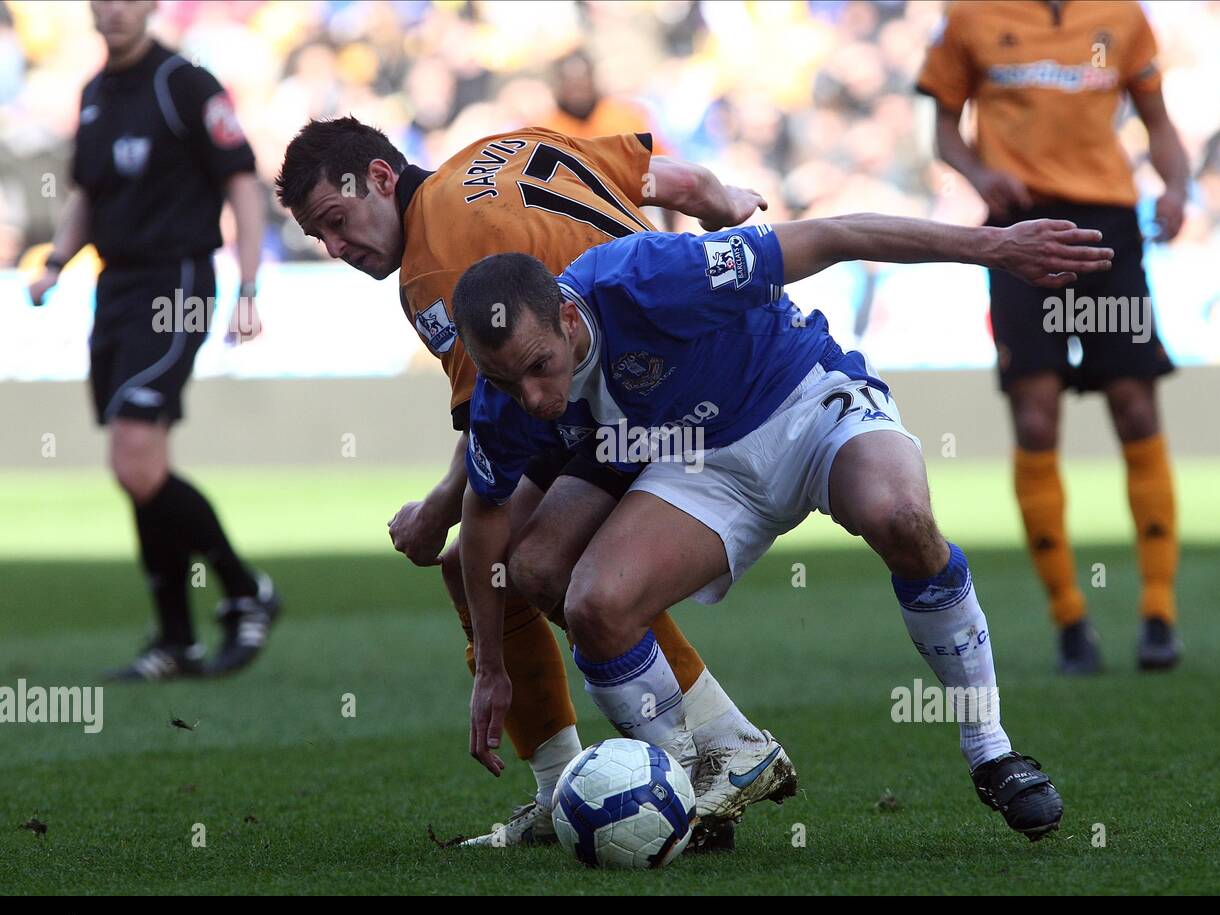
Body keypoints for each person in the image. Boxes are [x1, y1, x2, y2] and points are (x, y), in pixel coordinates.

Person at [453, 214, 1115, 840]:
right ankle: (683, 795)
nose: (533, 399)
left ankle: (990, 749)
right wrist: (490, 664)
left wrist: (993, 247)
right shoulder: (503, 391)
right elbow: (483, 517)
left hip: (807, 402)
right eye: (509, 382)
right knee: (595, 606)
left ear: (569, 317)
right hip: (702, 462)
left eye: (541, 367)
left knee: (903, 519)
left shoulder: (650, 278)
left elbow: (835, 234)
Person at [275, 117, 792, 846]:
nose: (335, 247)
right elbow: (671, 179)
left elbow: (493, 432)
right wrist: (725, 202)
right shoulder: (503, 147)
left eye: (336, 220)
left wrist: (431, 511)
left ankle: (716, 749)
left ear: (382, 179)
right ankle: (572, 784)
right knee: (478, 563)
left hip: (642, 381)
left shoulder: (433, 269)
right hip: (683, 351)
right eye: (317, 238)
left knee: (534, 564)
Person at [917, 0, 1189, 673]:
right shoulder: (970, 17)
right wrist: (980, 176)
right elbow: (945, 131)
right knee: (1036, 419)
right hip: (1019, 230)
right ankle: (1070, 618)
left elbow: (1158, 121)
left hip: (1109, 229)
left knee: (1135, 405)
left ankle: (1158, 610)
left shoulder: (1121, 15)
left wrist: (1178, 185)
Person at [29, 0, 277, 681]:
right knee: (144, 470)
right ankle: (176, 640)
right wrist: (55, 261)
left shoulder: (184, 83)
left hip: (176, 284)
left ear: (150, 7)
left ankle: (245, 590)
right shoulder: (94, 93)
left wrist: (249, 285)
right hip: (113, 290)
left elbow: (241, 184)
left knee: (133, 461)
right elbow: (87, 192)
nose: (112, 9)